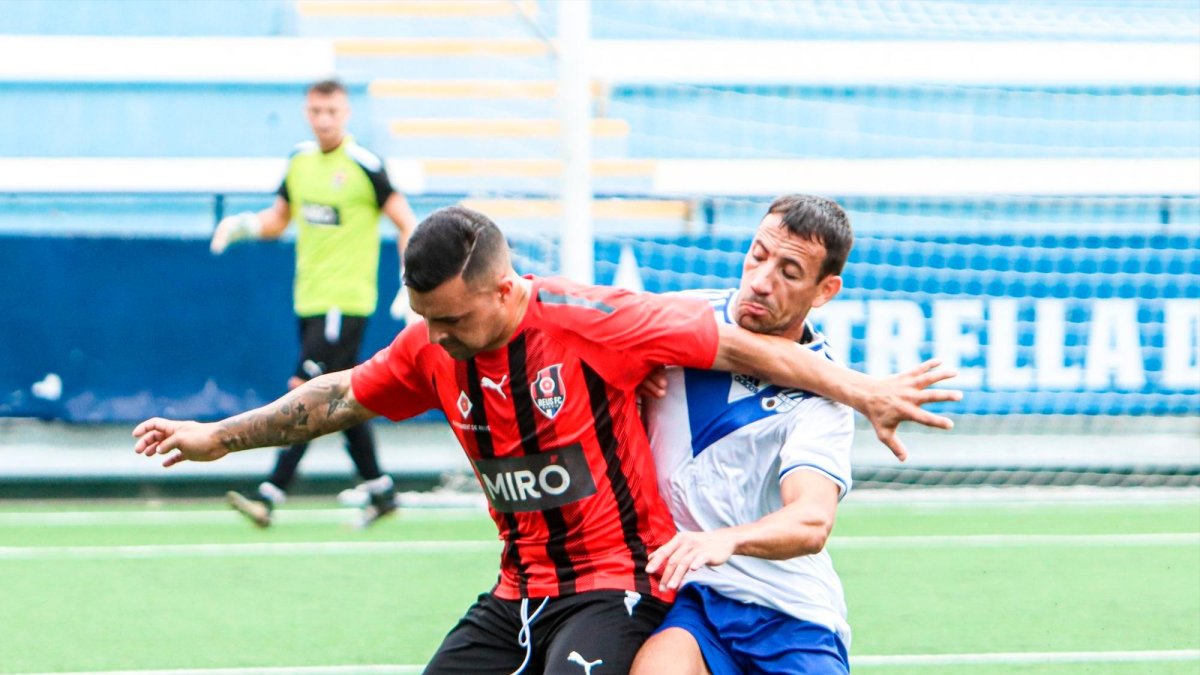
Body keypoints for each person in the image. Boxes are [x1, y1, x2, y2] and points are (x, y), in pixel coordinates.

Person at [133, 206, 959, 673]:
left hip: (647, 588)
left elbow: (764, 380)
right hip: (535, 591)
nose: (439, 338)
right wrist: (217, 436)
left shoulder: (601, 322)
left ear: (504, 287)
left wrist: (864, 389)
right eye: (757, 257)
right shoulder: (433, 343)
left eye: (453, 319)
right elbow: (342, 393)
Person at [631, 195, 869, 674]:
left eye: (789, 272)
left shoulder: (822, 398)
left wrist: (726, 540)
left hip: (790, 615)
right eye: (758, 255)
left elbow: (811, 520)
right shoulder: (683, 318)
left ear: (825, 291)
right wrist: (627, 372)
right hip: (693, 602)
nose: (761, 282)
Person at [209, 78, 418, 529]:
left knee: (305, 390)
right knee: (343, 398)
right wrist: (242, 225)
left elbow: (406, 222)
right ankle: (381, 489)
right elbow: (279, 219)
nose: (324, 119)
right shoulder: (300, 162)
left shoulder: (365, 166)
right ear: (307, 112)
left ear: (346, 115)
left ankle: (271, 492)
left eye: (333, 112)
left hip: (347, 302)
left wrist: (410, 281)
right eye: (316, 111)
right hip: (309, 300)